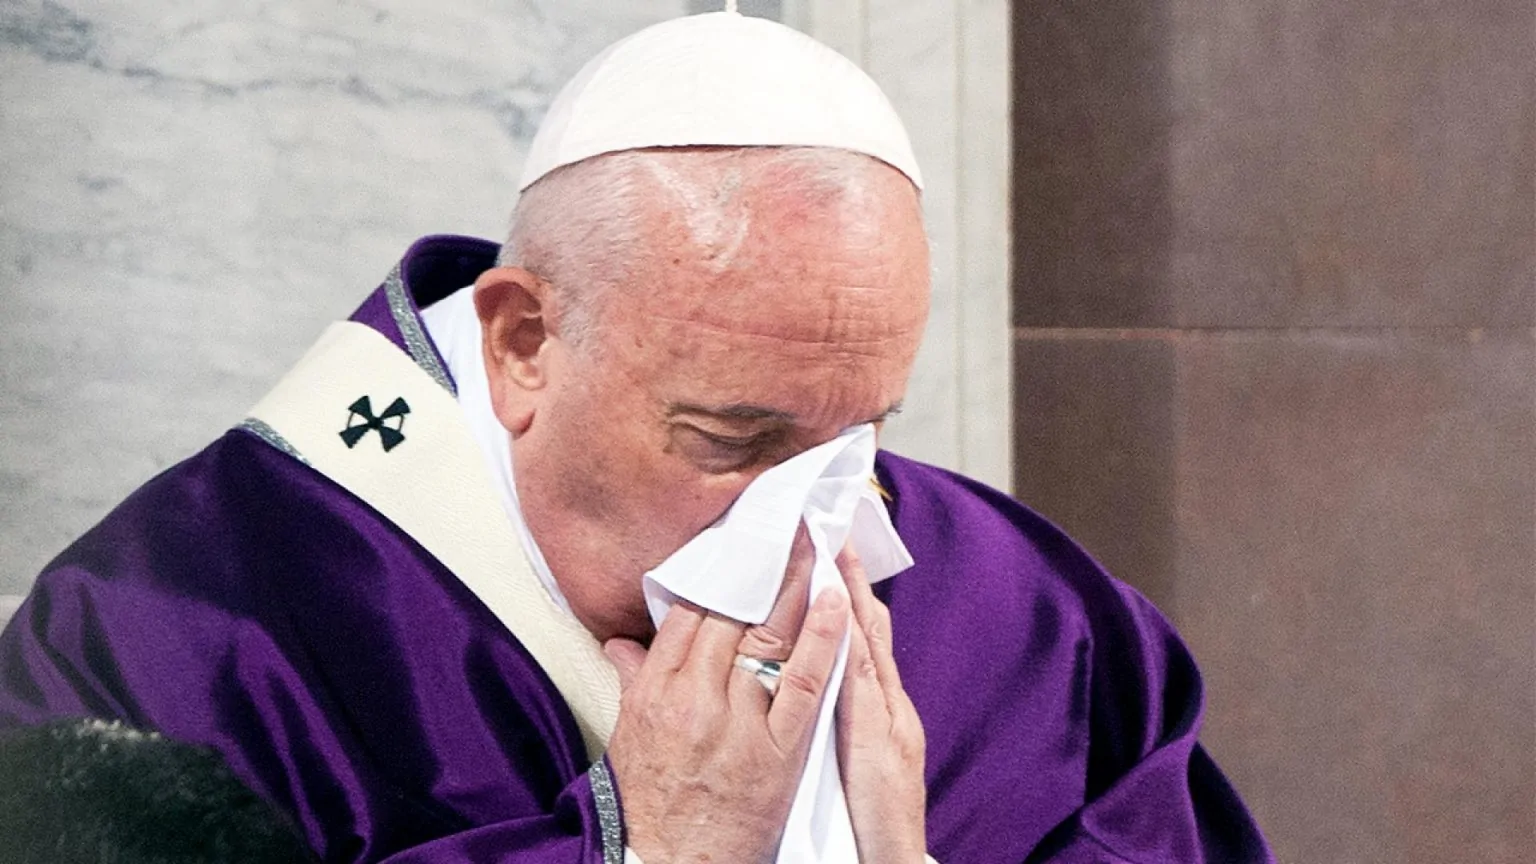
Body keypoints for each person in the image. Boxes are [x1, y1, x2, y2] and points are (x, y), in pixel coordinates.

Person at [0, 11, 1272, 863]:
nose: (808, 530)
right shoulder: (179, 641)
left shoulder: (1034, 628)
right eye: (732, 438)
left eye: (861, 439)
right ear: (522, 343)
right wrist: (651, 848)